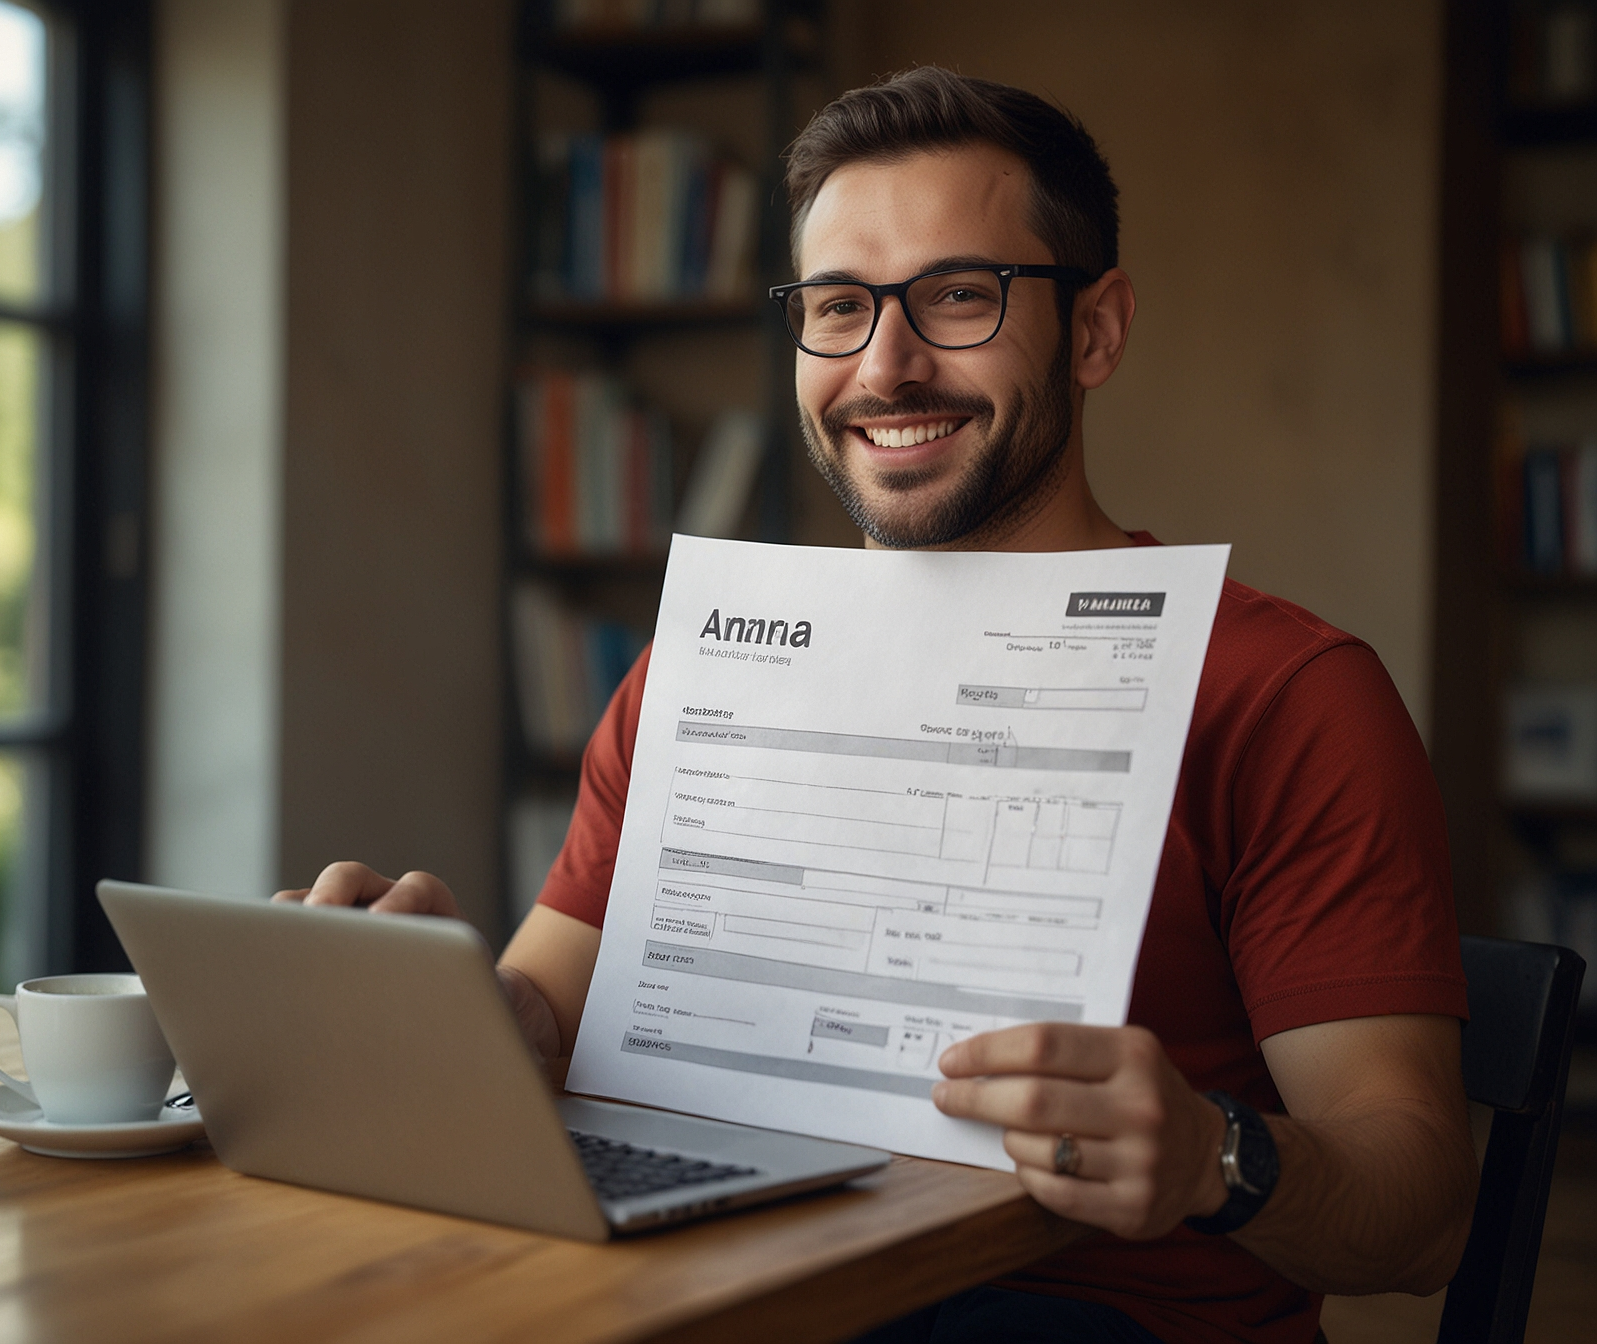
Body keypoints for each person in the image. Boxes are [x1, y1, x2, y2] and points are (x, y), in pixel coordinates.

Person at [276, 68, 1477, 1344]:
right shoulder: (696, 668)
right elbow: (543, 1024)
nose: (885, 367)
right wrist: (448, 1009)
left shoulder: (1283, 694)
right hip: (708, 1287)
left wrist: (1209, 1155)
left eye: (959, 296)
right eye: (838, 308)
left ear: (1095, 331)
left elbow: (1420, 1216)